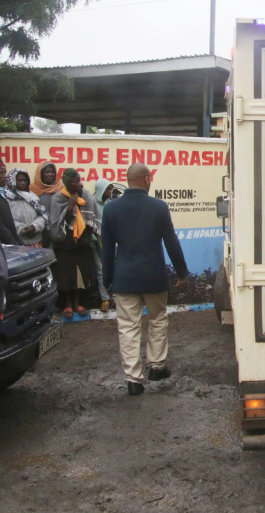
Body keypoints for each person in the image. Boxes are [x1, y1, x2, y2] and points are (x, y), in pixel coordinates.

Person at [102, 163, 188, 396]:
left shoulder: (111, 209)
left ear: (128, 180)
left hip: (124, 278)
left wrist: (107, 281)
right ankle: (157, 367)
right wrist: (182, 273)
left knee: (128, 327)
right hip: (154, 278)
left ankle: (133, 380)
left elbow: (107, 250)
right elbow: (172, 243)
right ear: (147, 180)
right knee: (158, 319)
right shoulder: (158, 207)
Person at [49, 169, 97, 319]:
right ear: (68, 183)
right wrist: (70, 207)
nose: (79, 183)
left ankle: (78, 303)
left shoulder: (85, 194)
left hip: (81, 243)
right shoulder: (58, 198)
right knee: (65, 276)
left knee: (80, 276)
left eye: (79, 180)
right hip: (64, 244)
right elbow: (56, 222)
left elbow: (91, 215)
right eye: (75, 181)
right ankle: (67, 305)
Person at [3, 169, 47, 248]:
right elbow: (5, 220)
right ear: (12, 180)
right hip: (17, 244)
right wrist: (23, 229)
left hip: (35, 242)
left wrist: (34, 227)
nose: (23, 183)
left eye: (25, 180)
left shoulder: (32, 197)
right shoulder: (6, 198)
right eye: (19, 180)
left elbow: (42, 215)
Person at [92, 179, 114, 312]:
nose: (110, 192)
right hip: (95, 242)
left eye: (111, 190)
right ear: (100, 190)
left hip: (110, 243)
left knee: (114, 269)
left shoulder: (112, 204)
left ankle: (115, 297)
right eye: (107, 190)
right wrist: (95, 236)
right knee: (100, 271)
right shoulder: (91, 203)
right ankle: (105, 299)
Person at [29, 161, 63, 247]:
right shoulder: (32, 191)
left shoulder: (61, 189)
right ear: (40, 174)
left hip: (59, 231)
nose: (50, 174)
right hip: (39, 232)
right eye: (47, 172)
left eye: (52, 172)